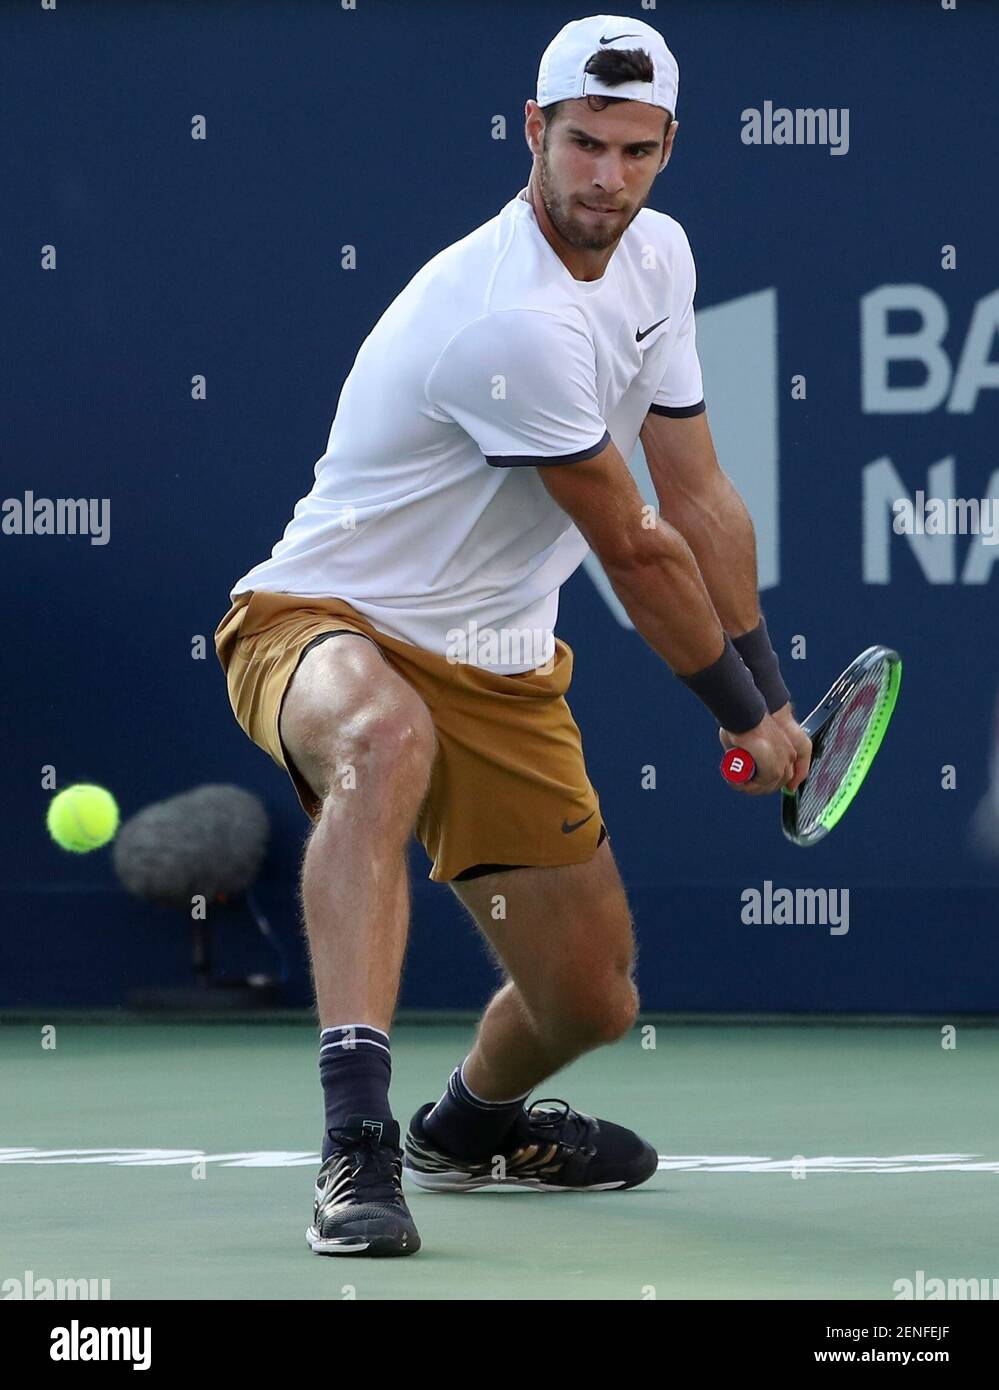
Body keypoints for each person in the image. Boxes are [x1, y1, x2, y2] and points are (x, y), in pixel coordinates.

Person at [214, 13, 812, 1258]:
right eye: (584, 144)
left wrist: (772, 687)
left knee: (591, 998)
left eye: (637, 151)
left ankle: (470, 1127)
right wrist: (740, 720)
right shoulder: (509, 322)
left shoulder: (661, 260)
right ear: (532, 131)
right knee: (382, 737)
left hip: (499, 663)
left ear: (668, 149)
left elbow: (697, 492)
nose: (608, 178)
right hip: (322, 620)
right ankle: (356, 1144)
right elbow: (641, 549)